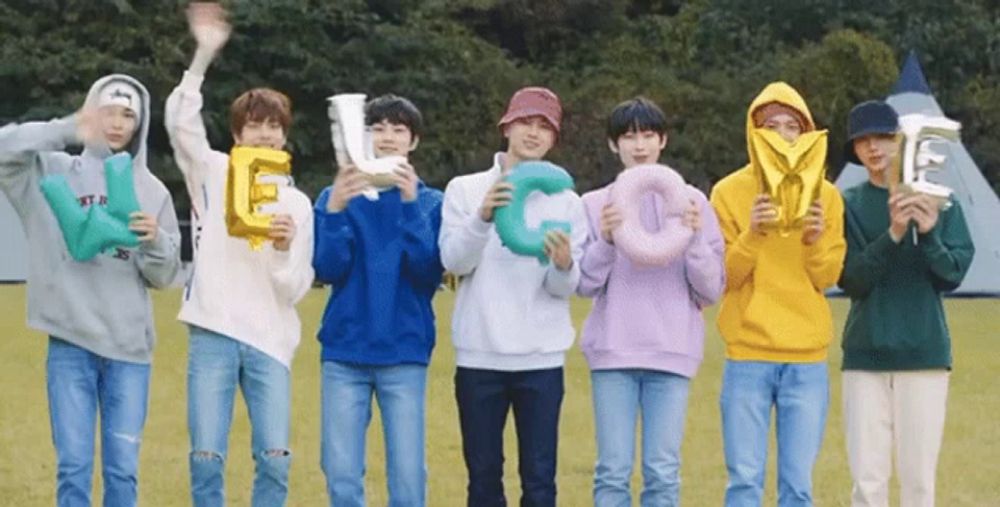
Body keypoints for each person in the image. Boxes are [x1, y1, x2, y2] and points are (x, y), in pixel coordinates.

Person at [0, 73, 181, 506]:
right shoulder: (51, 170)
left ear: (140, 123)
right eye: (107, 113)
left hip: (129, 353)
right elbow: (4, 148)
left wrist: (154, 239)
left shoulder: (151, 191)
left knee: (122, 472)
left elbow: (164, 275)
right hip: (70, 346)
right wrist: (65, 128)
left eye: (128, 115)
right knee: (73, 468)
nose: (117, 124)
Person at [164, 3, 314, 506]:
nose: (266, 133)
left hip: (270, 340)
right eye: (255, 125)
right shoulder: (213, 173)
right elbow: (180, 123)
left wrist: (284, 248)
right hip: (213, 331)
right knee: (207, 455)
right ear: (237, 135)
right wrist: (204, 54)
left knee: (274, 456)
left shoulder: (295, 202)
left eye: (275, 126)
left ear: (285, 135)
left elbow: (295, 288)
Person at [438, 86, 588, 507]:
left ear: (554, 138)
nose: (534, 133)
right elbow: (453, 261)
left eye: (545, 127)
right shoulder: (465, 190)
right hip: (479, 355)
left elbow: (564, 289)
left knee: (540, 482)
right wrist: (483, 217)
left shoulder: (567, 201)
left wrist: (562, 263)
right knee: (483, 480)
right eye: (526, 122)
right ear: (506, 126)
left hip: (541, 358)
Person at [577, 96, 725, 506]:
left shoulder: (692, 202)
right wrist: (606, 241)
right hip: (613, 354)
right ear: (613, 145)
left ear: (663, 141)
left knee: (662, 472)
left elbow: (710, 289)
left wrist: (694, 239)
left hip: (671, 352)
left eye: (647, 135)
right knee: (612, 471)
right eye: (628, 136)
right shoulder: (594, 204)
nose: (638, 145)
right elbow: (585, 284)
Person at [709, 81, 846, 506]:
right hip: (747, 353)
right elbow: (723, 279)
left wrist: (815, 239)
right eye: (771, 125)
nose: (783, 133)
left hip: (806, 358)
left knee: (798, 485)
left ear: (806, 133)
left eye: (793, 125)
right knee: (745, 481)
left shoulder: (826, 194)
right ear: (754, 131)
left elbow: (827, 277)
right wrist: (752, 233)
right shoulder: (729, 192)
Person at [837, 100, 974, 507]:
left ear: (902, 142)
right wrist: (894, 232)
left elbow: (951, 275)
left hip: (925, 355)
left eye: (882, 137)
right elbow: (852, 280)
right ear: (855, 151)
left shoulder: (941, 200)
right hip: (865, 356)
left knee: (918, 482)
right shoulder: (848, 203)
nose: (874, 148)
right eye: (863, 141)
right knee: (867, 481)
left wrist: (928, 232)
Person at [313, 94, 443, 507]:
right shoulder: (335, 196)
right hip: (344, 352)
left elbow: (427, 271)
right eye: (378, 128)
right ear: (363, 135)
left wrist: (408, 205)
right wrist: (333, 210)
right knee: (341, 473)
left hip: (404, 352)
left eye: (398, 129)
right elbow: (327, 269)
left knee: (407, 476)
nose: (387, 137)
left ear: (414, 141)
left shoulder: (430, 202)